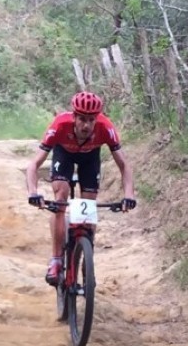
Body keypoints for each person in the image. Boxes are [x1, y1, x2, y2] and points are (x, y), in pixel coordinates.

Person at [25, 91, 136, 286]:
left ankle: (87, 255)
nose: (86, 125)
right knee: (61, 197)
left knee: (89, 204)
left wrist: (129, 195)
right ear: (73, 117)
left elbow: (125, 165)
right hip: (64, 154)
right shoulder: (60, 125)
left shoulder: (106, 128)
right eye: (82, 119)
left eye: (91, 120)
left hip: (90, 157)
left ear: (97, 119)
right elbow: (34, 164)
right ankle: (57, 260)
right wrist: (33, 192)